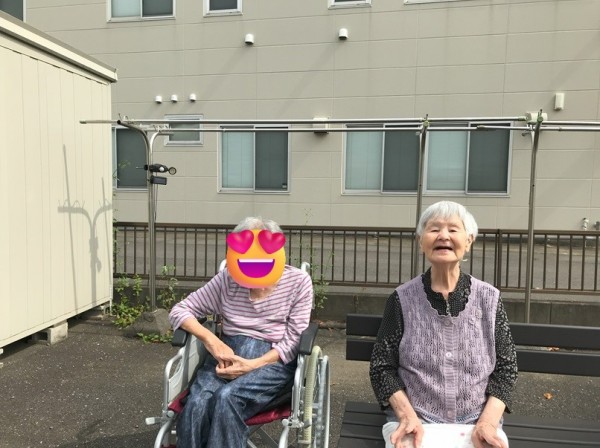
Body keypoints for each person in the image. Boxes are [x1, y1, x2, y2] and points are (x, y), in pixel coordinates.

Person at [369, 201, 518, 448]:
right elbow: (381, 367)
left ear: (468, 241)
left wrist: (488, 423)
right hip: (416, 420)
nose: (443, 236)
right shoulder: (402, 299)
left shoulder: (489, 299)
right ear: (421, 241)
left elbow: (506, 369)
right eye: (434, 229)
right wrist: (406, 416)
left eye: (453, 229)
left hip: (477, 421)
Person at [168, 216, 314, 448]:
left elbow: (294, 340)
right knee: (196, 403)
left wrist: (252, 365)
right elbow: (180, 310)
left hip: (272, 360)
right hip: (227, 352)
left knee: (227, 398)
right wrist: (212, 341)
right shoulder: (228, 280)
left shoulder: (298, 282)